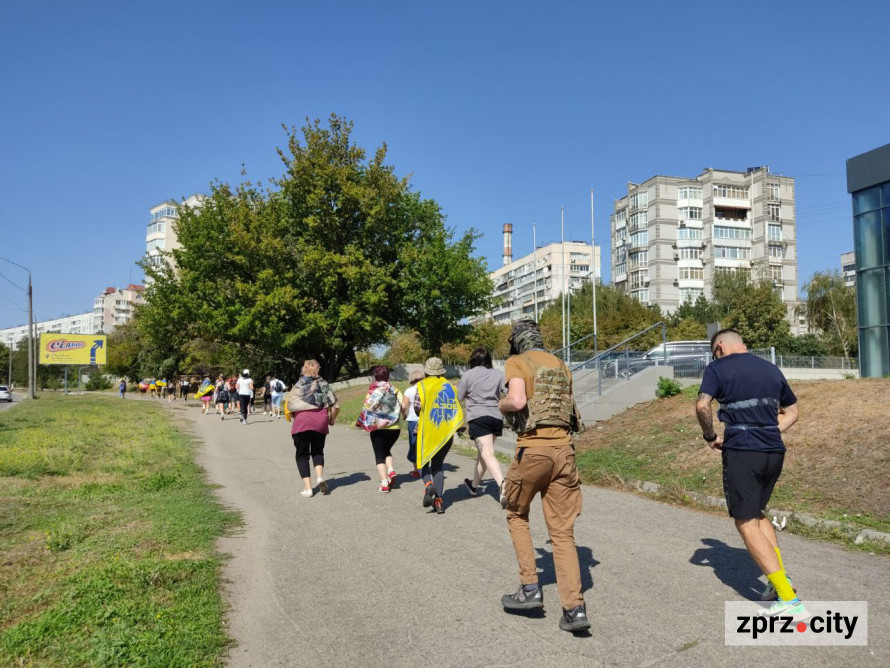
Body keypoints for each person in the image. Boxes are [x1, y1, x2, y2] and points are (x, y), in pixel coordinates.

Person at [695, 328, 804, 619]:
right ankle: (777, 579)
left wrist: (709, 436)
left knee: (744, 521)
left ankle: (788, 598)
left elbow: (703, 404)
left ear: (719, 347)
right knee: (756, 513)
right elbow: (792, 412)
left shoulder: (717, 368)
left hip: (743, 452)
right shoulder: (770, 368)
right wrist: (768, 430)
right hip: (773, 452)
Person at [498, 319, 589, 633]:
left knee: (516, 513)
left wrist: (501, 404)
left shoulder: (517, 362)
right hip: (565, 451)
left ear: (518, 342)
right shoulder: (561, 365)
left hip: (533, 449)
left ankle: (529, 588)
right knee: (562, 533)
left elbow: (518, 401)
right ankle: (574, 609)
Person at [413, 357, 463, 514]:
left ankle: (428, 485)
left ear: (427, 371)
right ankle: (439, 502)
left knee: (420, 463)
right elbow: (455, 408)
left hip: (427, 432)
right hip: (445, 433)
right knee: (438, 466)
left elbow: (416, 408)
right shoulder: (450, 386)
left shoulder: (421, 385)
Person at [458, 347, 506, 500]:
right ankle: (473, 485)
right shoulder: (498, 374)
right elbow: (507, 390)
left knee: (487, 453)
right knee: (484, 454)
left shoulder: (468, 375)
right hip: (496, 418)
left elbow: (458, 397)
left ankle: (502, 484)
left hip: (478, 418)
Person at [287, 360, 340, 497]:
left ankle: (308, 488)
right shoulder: (324, 384)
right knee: (317, 451)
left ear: (304, 369)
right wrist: (331, 420)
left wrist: (295, 414)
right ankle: (320, 477)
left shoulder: (298, 385)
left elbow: (290, 404)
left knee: (302, 455)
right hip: (320, 422)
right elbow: (335, 406)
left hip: (302, 422)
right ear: (318, 369)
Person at [356, 366, 405, 493]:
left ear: (375, 377)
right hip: (394, 428)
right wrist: (403, 414)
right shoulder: (395, 389)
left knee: (379, 455)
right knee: (386, 450)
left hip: (378, 427)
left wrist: (364, 422)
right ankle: (391, 470)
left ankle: (384, 483)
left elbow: (367, 407)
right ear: (388, 376)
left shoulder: (372, 390)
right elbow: (404, 404)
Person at [401, 370, 424, 478]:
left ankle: (416, 470)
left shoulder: (408, 391)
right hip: (426, 421)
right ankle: (425, 468)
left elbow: (404, 406)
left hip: (413, 421)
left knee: (414, 445)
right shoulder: (426, 389)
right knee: (424, 444)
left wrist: (404, 416)